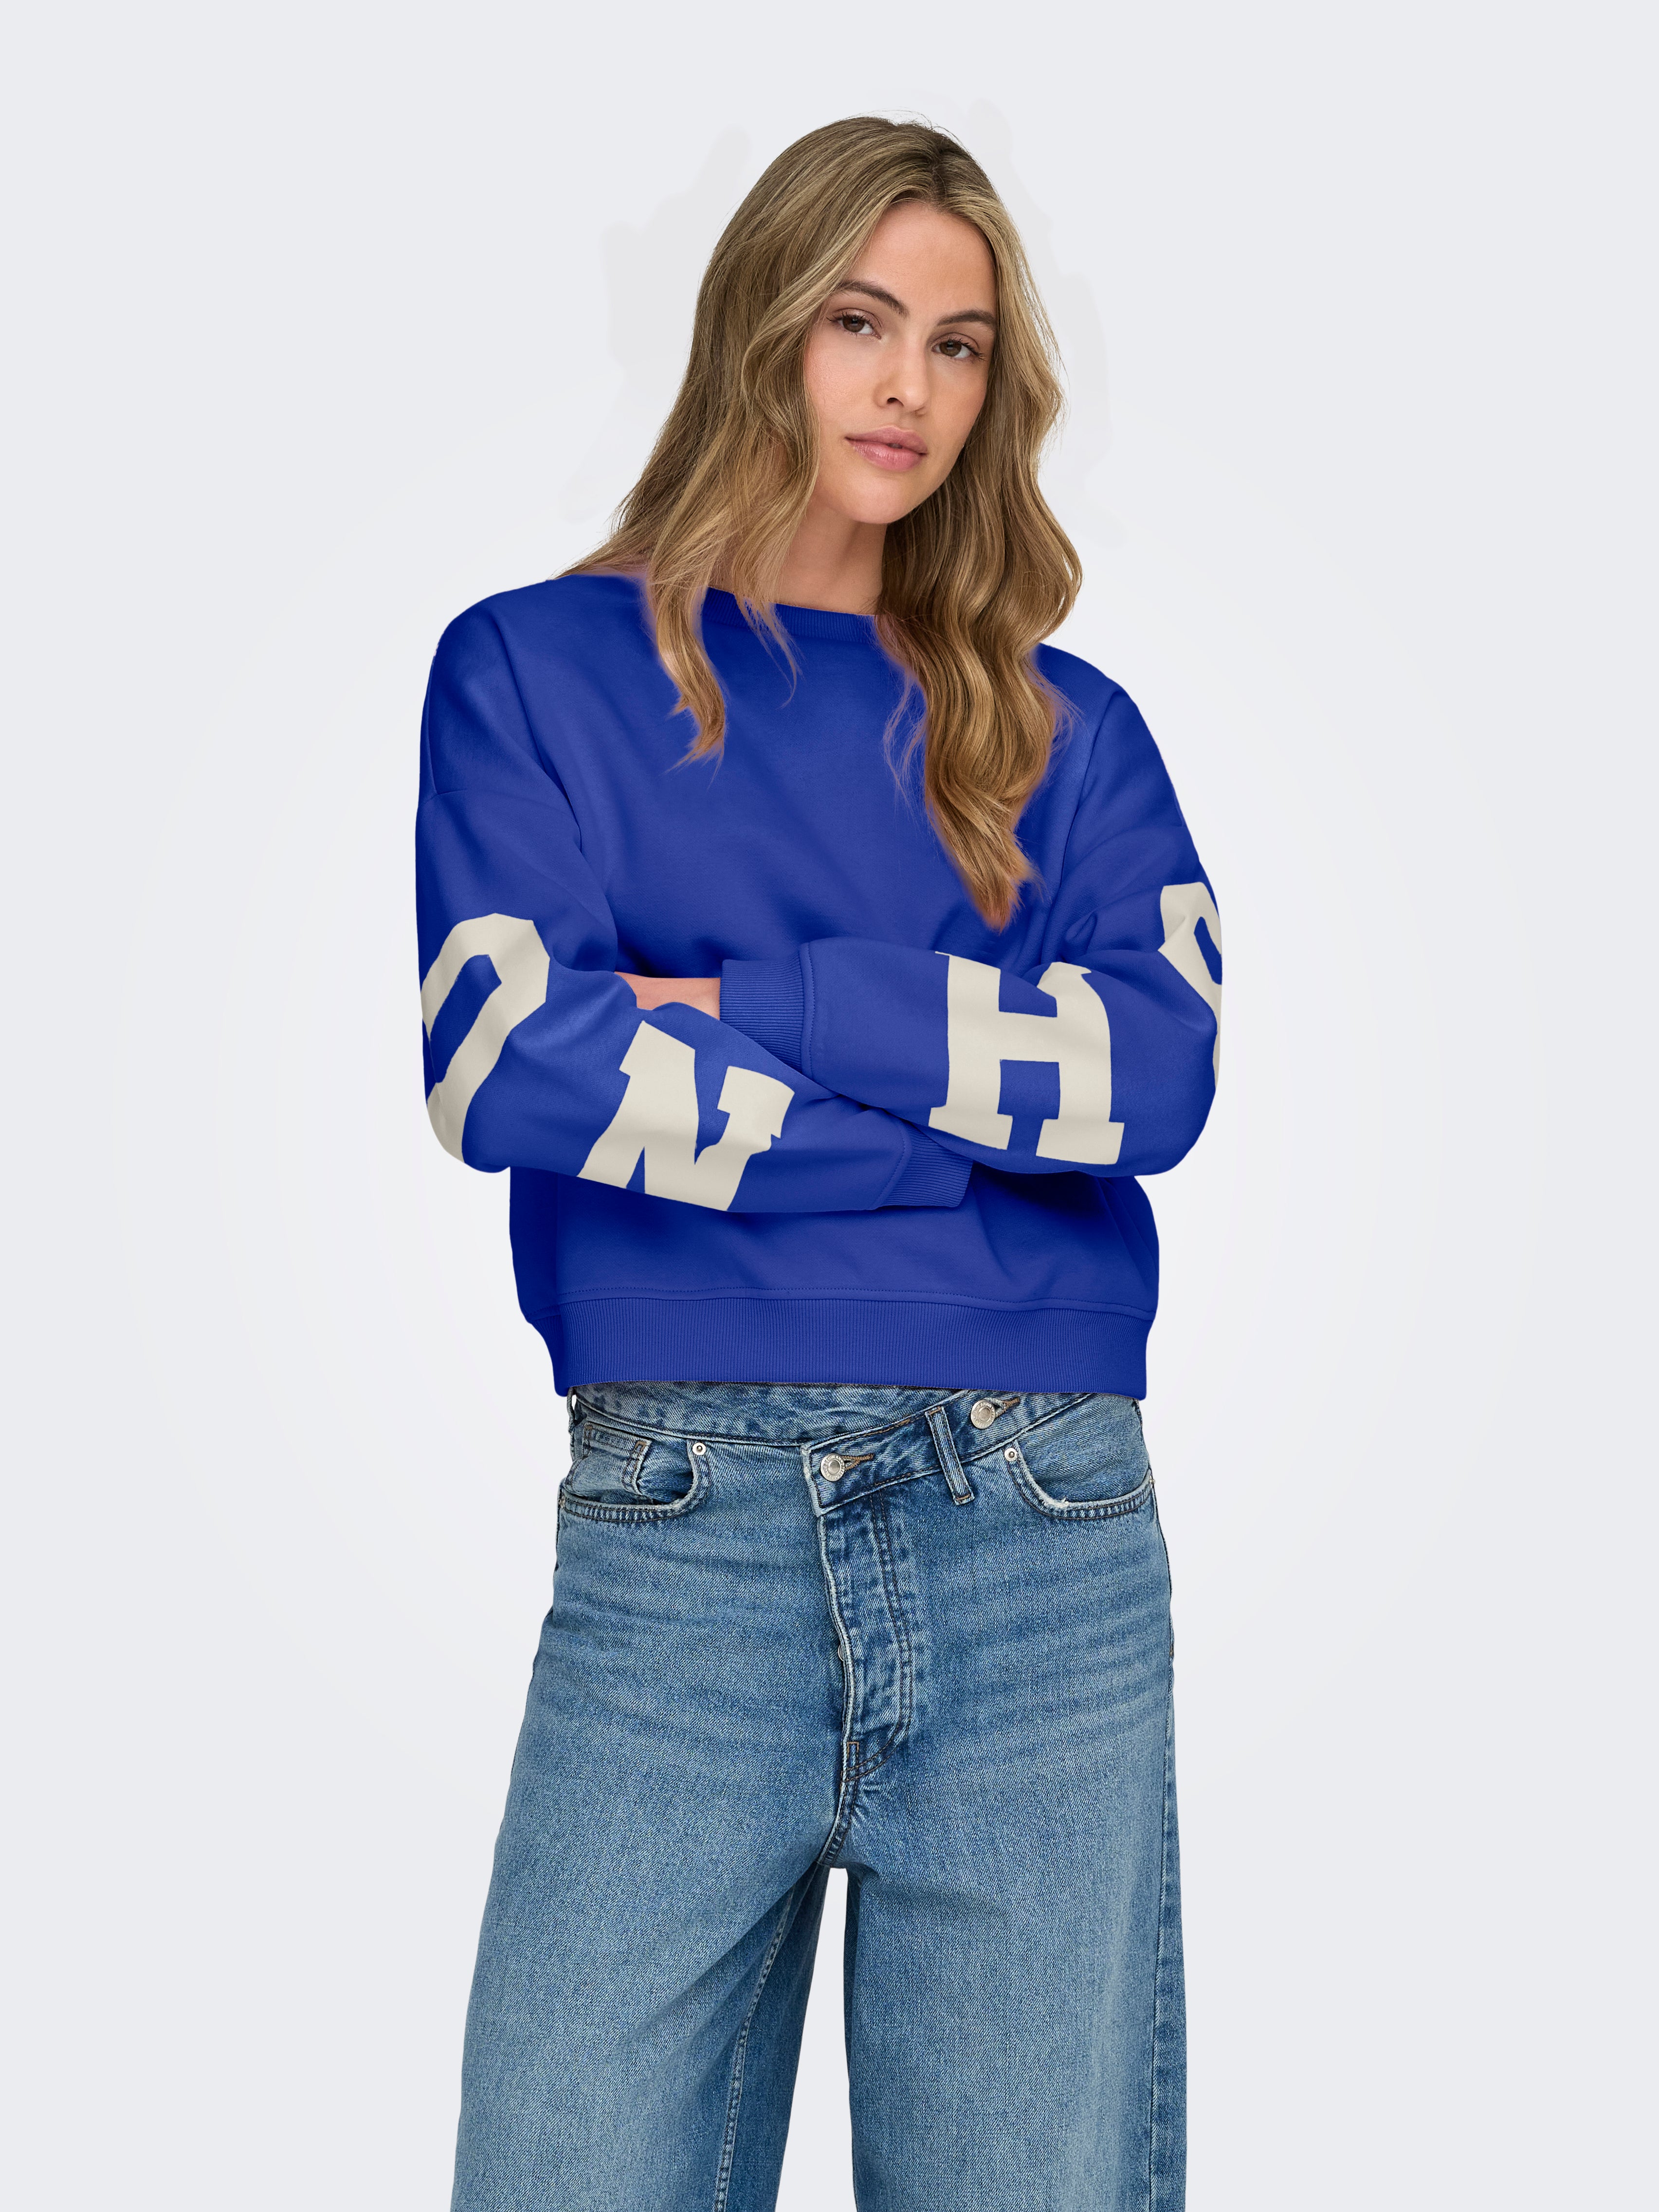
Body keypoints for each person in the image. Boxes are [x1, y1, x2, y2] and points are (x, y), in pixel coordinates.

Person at [417, 114, 1220, 2212]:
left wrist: (748, 1007)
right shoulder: (532, 670)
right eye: (861, 323)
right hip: (680, 1527)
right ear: (759, 329)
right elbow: (506, 1063)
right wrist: (953, 1136)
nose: (908, 388)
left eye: (959, 346)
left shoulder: (1065, 730)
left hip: (1037, 1517)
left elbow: (1150, 1079)